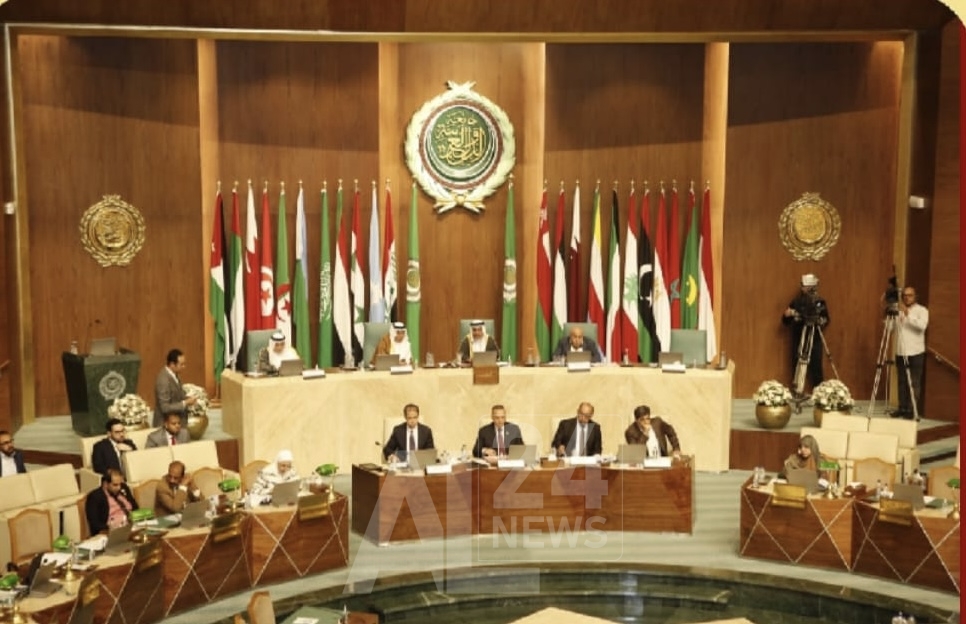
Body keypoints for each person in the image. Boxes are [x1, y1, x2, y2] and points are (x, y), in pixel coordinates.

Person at [781, 273, 829, 392]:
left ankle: (819, 392)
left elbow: (826, 319)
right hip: (800, 337)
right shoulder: (796, 302)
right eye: (803, 286)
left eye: (806, 286)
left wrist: (819, 321)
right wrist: (788, 315)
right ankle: (797, 391)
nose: (803, 288)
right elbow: (785, 321)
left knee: (816, 366)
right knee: (797, 363)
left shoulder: (819, 302)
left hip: (814, 338)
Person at [894, 286, 928, 419]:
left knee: (914, 382)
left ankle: (911, 409)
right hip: (901, 351)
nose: (907, 298)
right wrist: (889, 315)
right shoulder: (899, 311)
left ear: (915, 296)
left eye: (910, 295)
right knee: (902, 381)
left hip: (915, 352)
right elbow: (890, 329)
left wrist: (908, 314)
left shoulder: (922, 310)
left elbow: (921, 327)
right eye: (905, 295)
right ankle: (902, 407)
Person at [85, 467, 138, 536]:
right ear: (105, 484)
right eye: (115, 485)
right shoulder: (95, 497)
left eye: (120, 484)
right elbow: (95, 524)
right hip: (111, 532)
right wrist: (112, 527)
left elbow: (135, 508)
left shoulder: (124, 488)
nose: (119, 487)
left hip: (131, 527)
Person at [154, 348, 197, 427]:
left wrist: (188, 398)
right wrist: (185, 403)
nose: (184, 367)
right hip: (166, 425)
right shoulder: (163, 380)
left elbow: (177, 395)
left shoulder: (175, 374)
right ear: (172, 364)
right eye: (181, 364)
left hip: (177, 423)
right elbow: (165, 407)